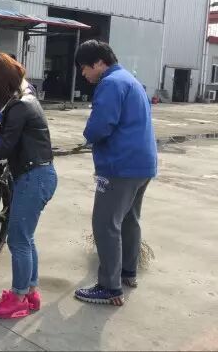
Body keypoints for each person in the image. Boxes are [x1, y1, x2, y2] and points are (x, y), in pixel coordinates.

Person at [0, 54, 57, 319]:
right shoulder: (23, 101)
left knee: (18, 241)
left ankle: (18, 299)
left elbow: (6, 148)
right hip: (35, 175)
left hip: (34, 177)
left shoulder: (20, 107)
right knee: (26, 238)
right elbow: (12, 138)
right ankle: (30, 292)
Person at [73, 40, 157, 306]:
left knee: (105, 224)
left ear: (99, 62)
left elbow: (100, 126)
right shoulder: (131, 80)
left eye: (84, 67)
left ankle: (109, 287)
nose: (83, 74)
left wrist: (88, 135)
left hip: (119, 166)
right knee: (130, 220)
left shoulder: (110, 84)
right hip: (142, 165)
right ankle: (128, 272)